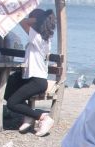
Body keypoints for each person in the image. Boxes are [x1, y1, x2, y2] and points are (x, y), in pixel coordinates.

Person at [4, 8, 56, 137]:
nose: (29, 19)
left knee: (12, 103)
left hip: (37, 81)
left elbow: (22, 22)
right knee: (6, 89)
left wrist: (39, 18)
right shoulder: (42, 38)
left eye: (31, 17)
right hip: (29, 78)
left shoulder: (37, 37)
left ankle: (43, 117)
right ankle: (29, 115)